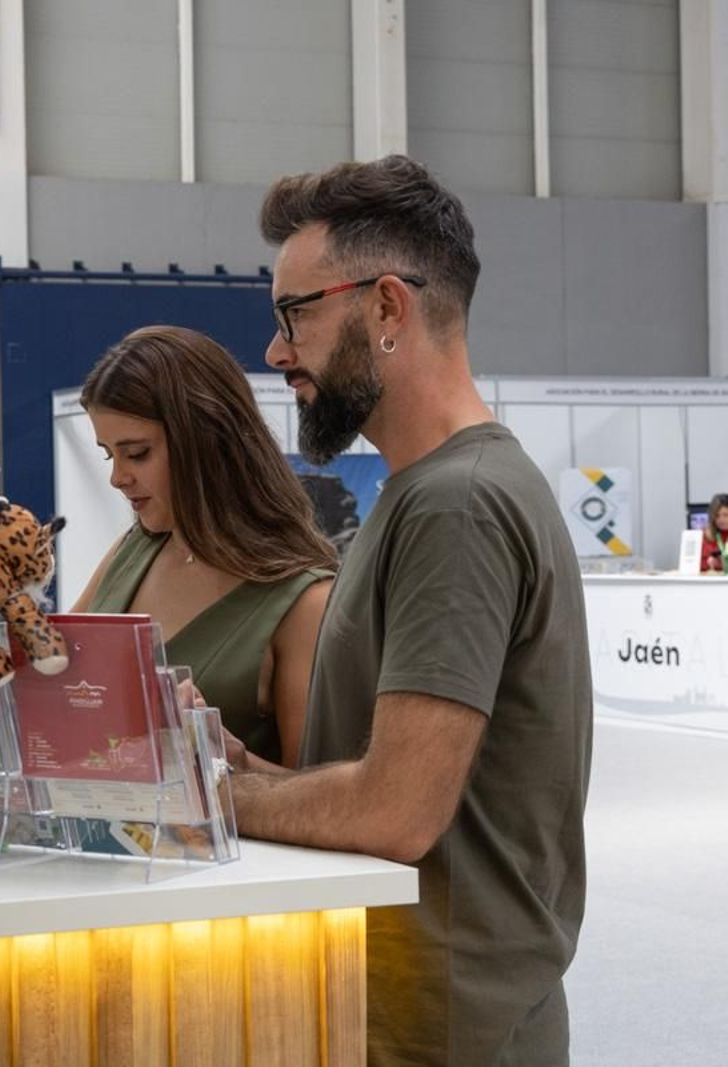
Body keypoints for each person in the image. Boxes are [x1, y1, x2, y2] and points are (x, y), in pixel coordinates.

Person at [227, 155, 592, 1065]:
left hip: (444, 1030)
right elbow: (396, 779)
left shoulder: (456, 503)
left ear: (387, 307)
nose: (277, 352)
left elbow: (396, 810)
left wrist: (221, 804)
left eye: (294, 314)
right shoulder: (423, 492)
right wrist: (253, 775)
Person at [71, 326, 335, 768]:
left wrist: (233, 761)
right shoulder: (130, 552)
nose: (117, 477)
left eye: (136, 453)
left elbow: (325, 799)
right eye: (108, 455)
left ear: (206, 443)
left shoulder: (306, 602)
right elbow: (51, 678)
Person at [699, 493, 728, 573]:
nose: (721, 520)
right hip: (712, 583)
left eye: (726, 515)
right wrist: (708, 563)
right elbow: (693, 563)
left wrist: (722, 563)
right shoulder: (704, 535)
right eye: (717, 515)